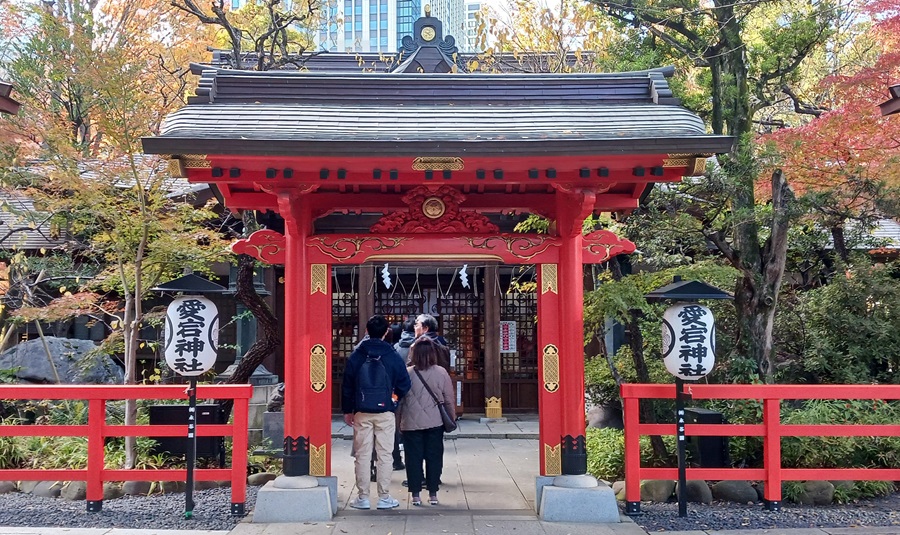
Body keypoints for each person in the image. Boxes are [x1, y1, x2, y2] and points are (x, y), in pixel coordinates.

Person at [341, 315, 411, 510]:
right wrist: (394, 399)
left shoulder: (357, 355)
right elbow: (405, 383)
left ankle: (362, 497)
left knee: (362, 455)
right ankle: (384, 497)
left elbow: (347, 385)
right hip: (385, 412)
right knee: (385, 455)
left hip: (361, 411)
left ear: (366, 330)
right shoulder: (392, 355)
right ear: (386, 332)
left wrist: (348, 410)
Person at [398, 336, 456, 506]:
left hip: (410, 422)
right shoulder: (441, 372)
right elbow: (448, 399)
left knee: (413, 459)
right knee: (434, 457)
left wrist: (398, 420)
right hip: (435, 422)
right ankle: (433, 494)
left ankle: (415, 495)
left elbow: (400, 399)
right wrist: (451, 418)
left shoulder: (406, 373)